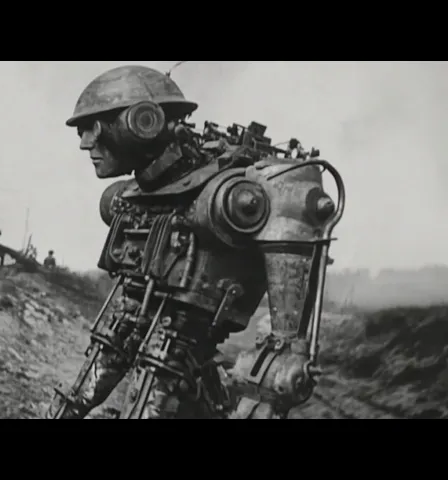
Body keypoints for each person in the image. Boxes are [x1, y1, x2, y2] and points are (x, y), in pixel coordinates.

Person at [46, 65, 344, 419]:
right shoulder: (134, 195)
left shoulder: (236, 194)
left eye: (93, 128)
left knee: (157, 391)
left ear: (142, 122)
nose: (85, 143)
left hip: (184, 338)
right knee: (98, 368)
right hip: (142, 316)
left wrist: (287, 345)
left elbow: (297, 223)